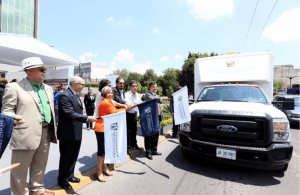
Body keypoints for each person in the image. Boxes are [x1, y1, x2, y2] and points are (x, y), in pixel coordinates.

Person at [1, 57, 57, 195]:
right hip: (25, 133)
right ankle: (20, 193)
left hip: (46, 131)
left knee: (40, 164)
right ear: (30, 71)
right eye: (42, 69)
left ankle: (37, 188)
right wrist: (13, 117)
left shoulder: (48, 88)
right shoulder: (14, 87)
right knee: (20, 169)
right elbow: (6, 110)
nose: (45, 72)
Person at [57, 76, 97, 190]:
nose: (83, 87)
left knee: (74, 156)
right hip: (67, 133)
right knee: (66, 157)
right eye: (82, 84)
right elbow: (70, 114)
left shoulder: (75, 94)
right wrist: (86, 118)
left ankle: (70, 175)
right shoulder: (65, 96)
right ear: (74, 84)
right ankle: (62, 180)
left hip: (76, 132)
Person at [94, 86, 130, 182]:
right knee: (101, 152)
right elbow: (115, 112)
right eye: (109, 93)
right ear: (104, 93)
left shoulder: (109, 100)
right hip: (101, 128)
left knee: (106, 150)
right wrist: (126, 109)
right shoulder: (105, 102)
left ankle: (105, 168)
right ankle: (99, 172)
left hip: (106, 128)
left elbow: (116, 103)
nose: (111, 94)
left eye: (112, 93)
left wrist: (123, 106)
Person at [143, 82, 168, 160]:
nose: (155, 89)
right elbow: (152, 100)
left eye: (156, 87)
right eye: (153, 87)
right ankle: (148, 152)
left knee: (156, 134)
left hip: (157, 117)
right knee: (149, 135)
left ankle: (154, 150)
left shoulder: (157, 95)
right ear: (150, 88)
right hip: (150, 117)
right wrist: (161, 99)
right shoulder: (148, 95)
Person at [112, 76, 134, 156]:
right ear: (116, 83)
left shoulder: (124, 91)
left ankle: (128, 148)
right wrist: (126, 103)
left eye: (123, 83)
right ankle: (118, 149)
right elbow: (118, 99)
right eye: (120, 83)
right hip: (117, 114)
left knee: (127, 131)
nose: (122, 85)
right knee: (118, 132)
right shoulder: (113, 90)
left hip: (125, 113)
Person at [125, 80, 143, 152]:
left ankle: (134, 145)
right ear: (130, 87)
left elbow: (139, 105)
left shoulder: (138, 95)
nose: (134, 87)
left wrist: (138, 115)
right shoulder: (127, 94)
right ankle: (128, 147)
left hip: (135, 114)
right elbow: (128, 102)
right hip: (128, 114)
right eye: (133, 86)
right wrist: (132, 104)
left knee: (134, 130)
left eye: (136, 86)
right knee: (128, 131)